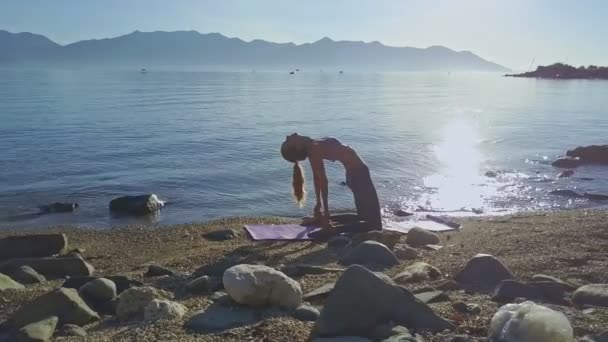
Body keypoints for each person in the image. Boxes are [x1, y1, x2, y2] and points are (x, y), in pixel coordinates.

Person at [280, 133, 382, 237]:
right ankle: (332, 229)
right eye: (287, 142)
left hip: (355, 175)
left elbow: (317, 180)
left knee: (363, 217)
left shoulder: (312, 146)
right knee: (376, 225)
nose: (287, 137)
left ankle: (323, 220)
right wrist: (325, 211)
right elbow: (322, 182)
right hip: (360, 176)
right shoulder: (313, 149)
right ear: (298, 146)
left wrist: (319, 207)